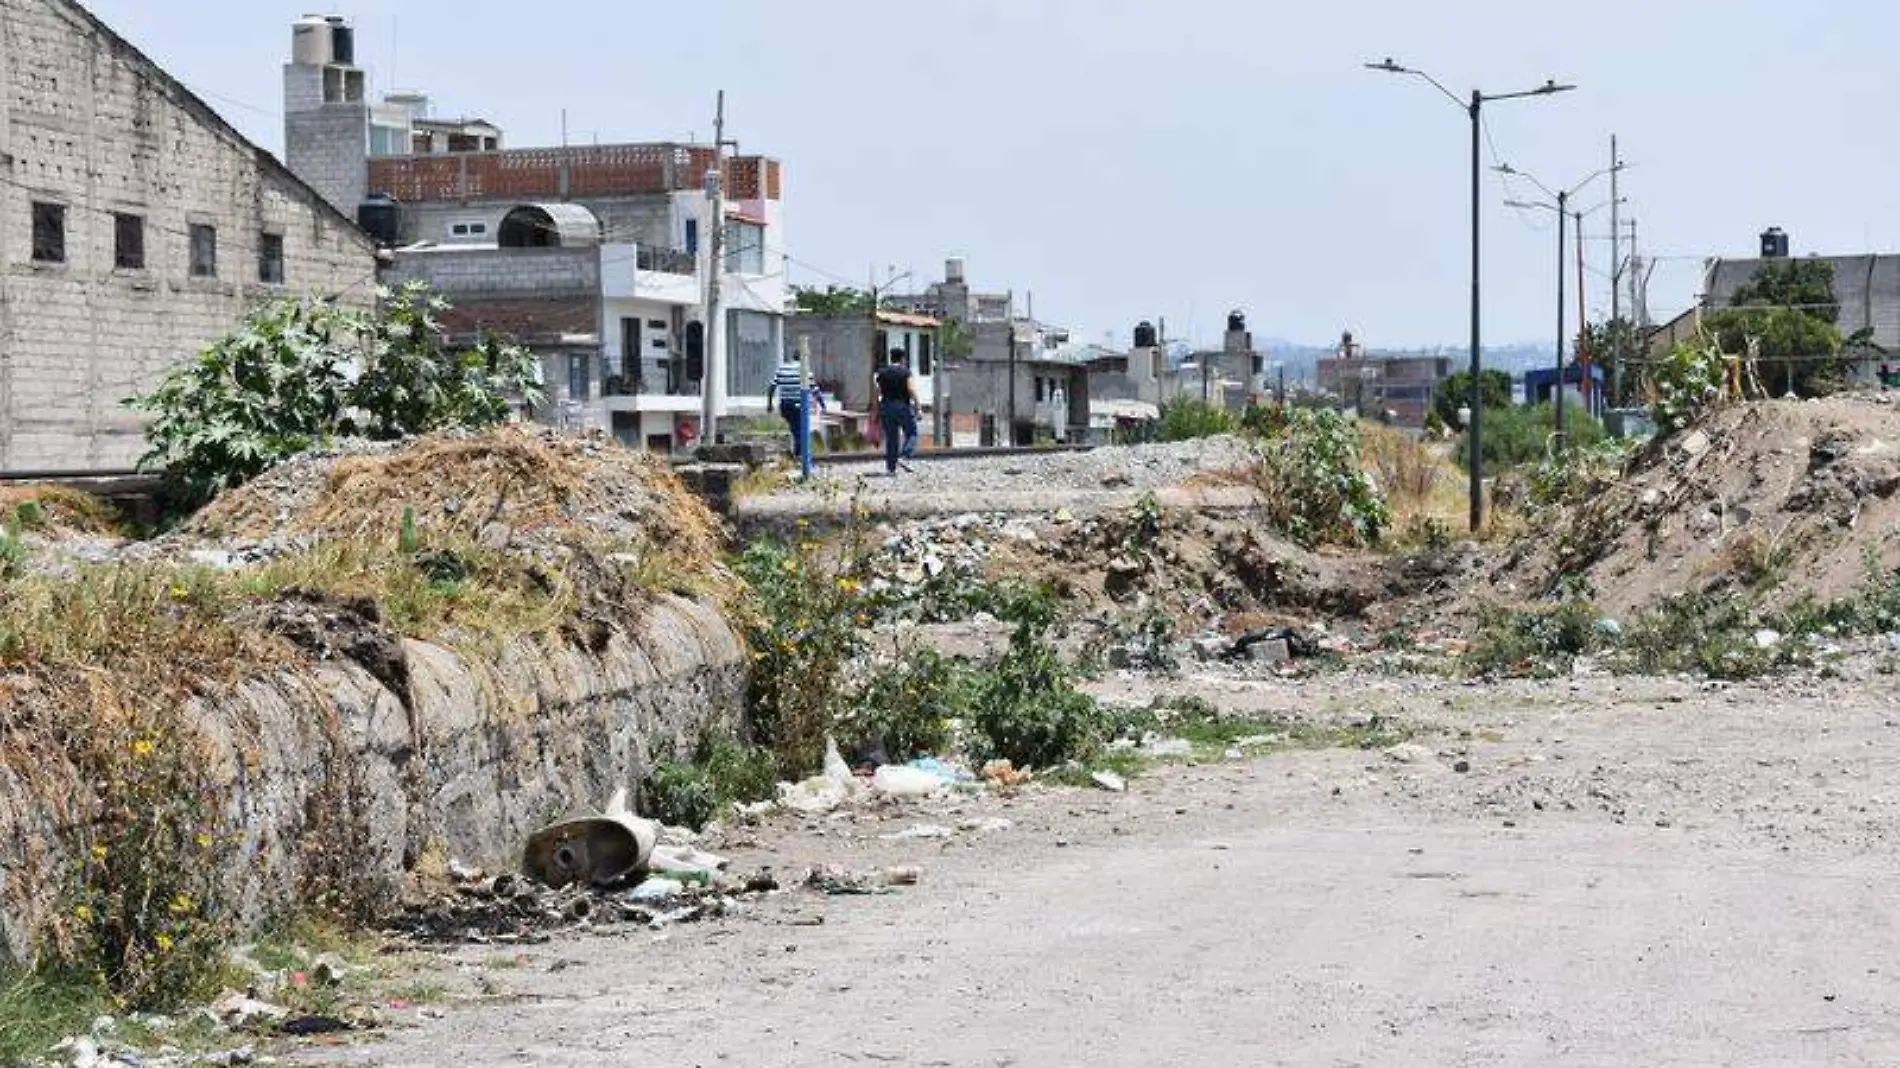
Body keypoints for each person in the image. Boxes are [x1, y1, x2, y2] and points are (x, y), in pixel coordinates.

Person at [768, 353, 823, 458]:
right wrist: (822, 404)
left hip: (786, 405)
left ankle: (797, 453)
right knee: (800, 430)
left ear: (793, 357)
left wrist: (769, 404)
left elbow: (772, 387)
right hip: (800, 404)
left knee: (795, 428)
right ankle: (800, 455)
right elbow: (815, 390)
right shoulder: (805, 371)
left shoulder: (782, 369)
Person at [873, 347, 919, 474]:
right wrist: (917, 405)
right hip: (902, 406)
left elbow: (877, 393)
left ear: (891, 357)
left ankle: (891, 468)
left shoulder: (882, 373)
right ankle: (905, 456)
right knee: (912, 433)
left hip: (886, 406)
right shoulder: (905, 372)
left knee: (891, 438)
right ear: (903, 359)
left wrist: (876, 412)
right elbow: (910, 389)